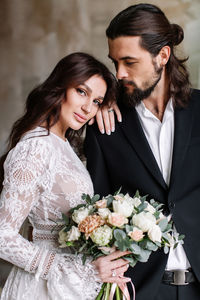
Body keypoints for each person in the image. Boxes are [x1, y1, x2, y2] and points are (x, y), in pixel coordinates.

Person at [85, 3, 200, 300]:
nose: (120, 73)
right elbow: (96, 209)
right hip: (139, 290)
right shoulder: (105, 127)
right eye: (114, 63)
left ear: (163, 55)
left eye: (129, 62)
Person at [0, 52, 131, 300]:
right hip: (42, 288)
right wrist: (79, 270)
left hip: (70, 287)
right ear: (60, 87)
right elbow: (2, 236)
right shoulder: (35, 147)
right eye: (82, 92)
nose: (87, 108)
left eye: (97, 101)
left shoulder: (65, 146)